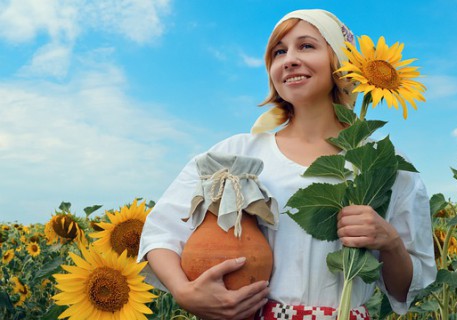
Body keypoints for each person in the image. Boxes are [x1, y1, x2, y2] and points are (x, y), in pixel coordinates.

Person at [138, 9, 436, 320]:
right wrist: (184, 293)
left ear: (341, 60)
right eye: (279, 52)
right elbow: (161, 233)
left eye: (306, 46)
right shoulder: (237, 154)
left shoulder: (386, 164)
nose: (289, 59)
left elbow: (407, 290)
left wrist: (389, 243)